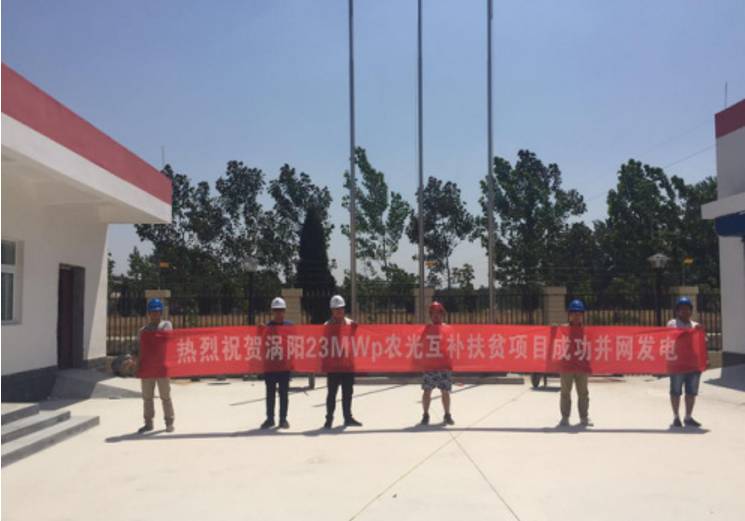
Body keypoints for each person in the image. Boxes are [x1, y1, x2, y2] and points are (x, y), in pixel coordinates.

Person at [136, 298, 175, 434]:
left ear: (161, 312)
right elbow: (140, 349)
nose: (155, 314)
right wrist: (137, 365)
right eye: (152, 312)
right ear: (149, 313)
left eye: (157, 312)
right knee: (147, 398)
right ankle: (148, 423)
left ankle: (169, 422)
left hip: (162, 367)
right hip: (147, 368)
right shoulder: (143, 331)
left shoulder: (166, 325)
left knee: (165, 396)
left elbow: (168, 338)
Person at [323, 295, 362, 429]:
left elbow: (359, 342)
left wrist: (356, 330)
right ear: (332, 310)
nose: (339, 311)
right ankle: (329, 418)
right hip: (333, 366)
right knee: (332, 394)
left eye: (341, 308)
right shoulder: (326, 326)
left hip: (347, 365)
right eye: (336, 309)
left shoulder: (351, 324)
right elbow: (323, 345)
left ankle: (348, 417)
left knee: (347, 393)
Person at [667, 296, 704, 428]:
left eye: (687, 309)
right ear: (677, 311)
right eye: (682, 309)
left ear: (691, 311)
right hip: (677, 364)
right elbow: (673, 336)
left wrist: (700, 332)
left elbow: (702, 344)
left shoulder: (695, 326)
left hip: (693, 364)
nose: (685, 311)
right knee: (675, 391)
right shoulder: (672, 324)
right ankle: (676, 417)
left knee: (691, 392)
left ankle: (688, 416)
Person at [559, 299, 592, 427]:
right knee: (565, 393)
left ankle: (584, 417)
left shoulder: (587, 330)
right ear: (569, 315)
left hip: (582, 366)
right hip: (566, 365)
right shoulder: (563, 329)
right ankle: (565, 417)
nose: (576, 316)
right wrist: (553, 329)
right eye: (574, 313)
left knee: (583, 393)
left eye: (579, 313)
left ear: (582, 315)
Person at [420, 301, 454, 426]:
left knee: (445, 391)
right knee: (427, 391)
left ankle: (447, 414)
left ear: (442, 314)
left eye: (438, 313)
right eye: (433, 313)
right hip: (429, 366)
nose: (436, 315)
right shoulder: (426, 329)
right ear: (430, 315)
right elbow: (420, 344)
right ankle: (425, 414)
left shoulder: (448, 329)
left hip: (444, 366)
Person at [261, 297, 292, 430]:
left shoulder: (289, 326)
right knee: (270, 394)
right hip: (270, 366)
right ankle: (270, 419)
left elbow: (296, 342)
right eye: (276, 310)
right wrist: (259, 331)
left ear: (284, 311)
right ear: (272, 311)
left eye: (281, 310)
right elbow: (260, 344)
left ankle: (283, 419)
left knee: (284, 394)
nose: (279, 313)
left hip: (284, 366)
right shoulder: (267, 327)